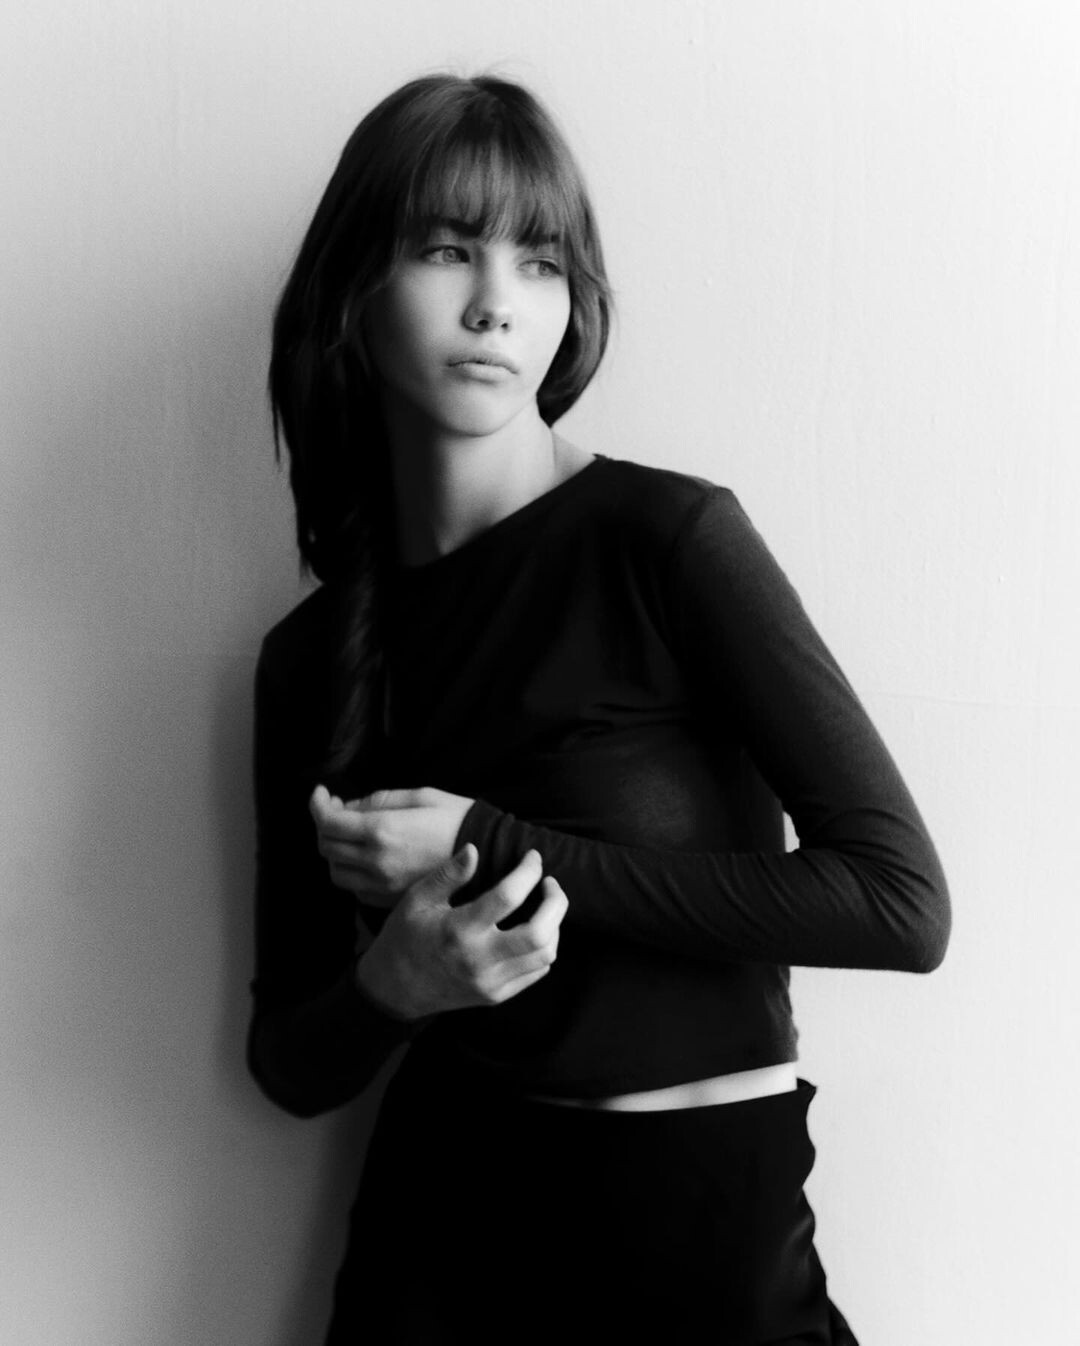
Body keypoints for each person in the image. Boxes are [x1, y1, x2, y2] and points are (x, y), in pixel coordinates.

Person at [248, 72, 950, 1345]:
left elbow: (900, 903)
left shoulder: (667, 539)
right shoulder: (309, 657)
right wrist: (392, 984)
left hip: (700, 1228)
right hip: (442, 1233)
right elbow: (290, 1062)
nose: (494, 303)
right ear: (355, 290)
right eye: (447, 250)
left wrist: (493, 839)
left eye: (539, 262)